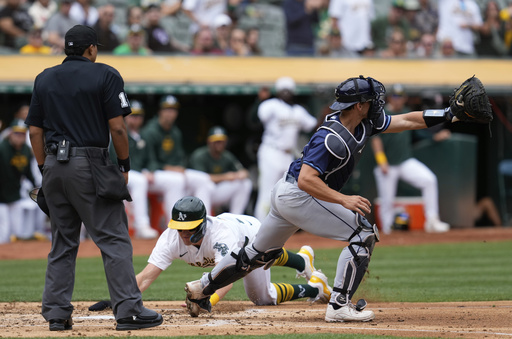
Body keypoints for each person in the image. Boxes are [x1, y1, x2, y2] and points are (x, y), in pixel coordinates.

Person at [183, 74, 471, 323]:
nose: (376, 105)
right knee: (363, 233)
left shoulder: (361, 120)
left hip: (287, 192)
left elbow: (406, 120)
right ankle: (339, 305)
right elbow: (309, 179)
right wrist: (342, 200)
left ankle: (201, 288)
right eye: (371, 100)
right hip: (298, 193)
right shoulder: (331, 137)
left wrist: (449, 114)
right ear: (358, 105)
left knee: (256, 255)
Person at [25, 25, 162, 331]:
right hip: (89, 163)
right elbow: (117, 129)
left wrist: (44, 168)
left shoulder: (44, 77)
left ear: (66, 49)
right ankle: (129, 311)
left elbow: (34, 131)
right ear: (90, 49)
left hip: (53, 165)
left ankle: (57, 314)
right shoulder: (105, 74)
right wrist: (124, 164)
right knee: (113, 239)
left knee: (62, 243)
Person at [89, 196, 331, 316]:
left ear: (203, 224)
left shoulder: (220, 236)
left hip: (250, 233)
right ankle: (310, 275)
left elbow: (226, 275)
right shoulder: (171, 237)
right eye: (180, 228)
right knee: (263, 291)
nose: (183, 234)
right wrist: (119, 299)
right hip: (235, 233)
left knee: (261, 291)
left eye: (189, 228)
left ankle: (310, 279)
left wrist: (207, 300)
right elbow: (146, 277)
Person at [370, 84, 449, 234]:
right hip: (388, 164)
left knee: (429, 179)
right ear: (389, 97)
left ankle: (432, 220)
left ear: (405, 98)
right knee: (387, 200)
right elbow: (375, 140)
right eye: (395, 96)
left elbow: (418, 132)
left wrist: (434, 137)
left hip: (405, 161)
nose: (397, 99)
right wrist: (381, 161)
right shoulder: (381, 114)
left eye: (400, 96)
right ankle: (387, 231)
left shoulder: (407, 112)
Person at [253, 76, 318, 223]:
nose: (286, 93)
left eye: (288, 90)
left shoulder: (298, 110)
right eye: (283, 90)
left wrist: (327, 110)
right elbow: (258, 117)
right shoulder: (271, 105)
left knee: (285, 193)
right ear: (278, 92)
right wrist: (261, 99)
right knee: (267, 192)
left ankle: (278, 228)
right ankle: (258, 228)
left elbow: (313, 125)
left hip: (288, 156)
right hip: (271, 151)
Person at [141, 95, 214, 216]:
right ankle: (176, 223)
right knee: (177, 180)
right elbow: (150, 162)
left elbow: (180, 158)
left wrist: (178, 168)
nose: (170, 114)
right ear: (160, 111)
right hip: (152, 172)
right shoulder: (150, 131)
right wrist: (169, 168)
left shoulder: (175, 132)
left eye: (173, 110)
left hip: (172, 171)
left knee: (203, 179)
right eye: (167, 110)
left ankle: (204, 221)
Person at [108, 99, 158, 239]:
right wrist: (143, 171)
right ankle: (141, 225)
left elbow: (152, 159)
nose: (135, 119)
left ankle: (172, 225)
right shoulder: (118, 132)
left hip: (140, 174)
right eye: (132, 115)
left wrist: (151, 170)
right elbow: (114, 158)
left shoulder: (145, 135)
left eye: (139, 116)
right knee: (141, 181)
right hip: (119, 173)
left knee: (175, 181)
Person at [189, 126, 252, 215]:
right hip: (196, 195)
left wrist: (241, 174)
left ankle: (236, 218)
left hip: (217, 191)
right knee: (206, 186)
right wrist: (225, 177)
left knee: (245, 183)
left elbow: (243, 171)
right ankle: (205, 221)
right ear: (209, 142)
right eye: (216, 141)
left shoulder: (227, 156)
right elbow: (202, 179)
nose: (219, 144)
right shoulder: (199, 155)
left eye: (221, 141)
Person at [0, 121, 37, 244]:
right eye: (16, 133)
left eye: (22, 133)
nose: (19, 136)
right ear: (10, 133)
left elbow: (27, 172)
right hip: (1, 196)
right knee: (4, 232)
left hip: (15, 194)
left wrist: (35, 184)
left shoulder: (26, 149)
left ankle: (15, 256)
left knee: (18, 232)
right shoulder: (2, 148)